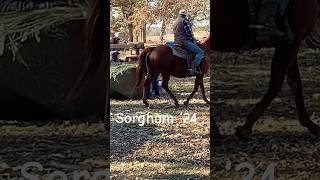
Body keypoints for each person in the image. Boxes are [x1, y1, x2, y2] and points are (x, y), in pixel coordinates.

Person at [173, 9, 203, 75]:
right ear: (185, 15)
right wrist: (194, 39)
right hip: (184, 42)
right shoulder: (184, 21)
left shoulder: (175, 22)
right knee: (200, 52)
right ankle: (193, 68)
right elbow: (189, 33)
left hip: (176, 42)